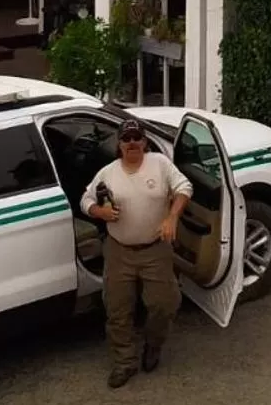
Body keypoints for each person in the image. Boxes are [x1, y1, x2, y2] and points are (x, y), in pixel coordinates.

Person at [82, 118, 192, 389]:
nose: (132, 143)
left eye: (137, 138)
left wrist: (172, 218)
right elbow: (85, 200)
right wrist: (100, 212)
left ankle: (153, 345)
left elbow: (184, 188)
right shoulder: (108, 173)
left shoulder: (161, 164)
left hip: (156, 249)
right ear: (119, 145)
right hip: (119, 251)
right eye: (126, 139)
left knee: (164, 304)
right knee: (117, 310)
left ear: (144, 142)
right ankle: (124, 362)